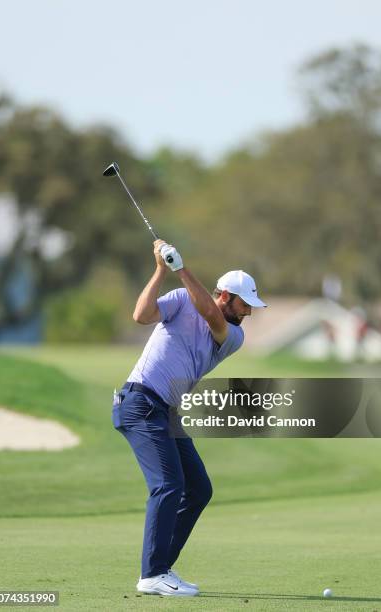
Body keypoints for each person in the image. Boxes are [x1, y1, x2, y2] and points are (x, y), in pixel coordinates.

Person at [112, 239, 266, 597]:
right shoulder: (181, 300)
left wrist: (181, 268)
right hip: (140, 403)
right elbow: (141, 315)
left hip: (164, 412)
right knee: (168, 485)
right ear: (226, 295)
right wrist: (161, 270)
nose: (249, 313)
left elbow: (211, 316)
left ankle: (161, 568)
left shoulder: (234, 336)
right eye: (245, 304)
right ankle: (152, 574)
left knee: (198, 489)